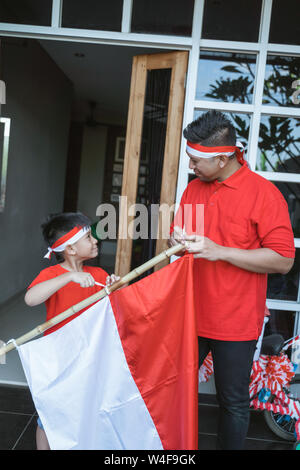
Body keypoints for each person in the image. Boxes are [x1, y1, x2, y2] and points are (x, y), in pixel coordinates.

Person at [168, 110, 295, 450]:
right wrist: (176, 244)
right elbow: (179, 245)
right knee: (173, 392)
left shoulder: (264, 195)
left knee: (233, 403)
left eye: (196, 161)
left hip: (235, 321)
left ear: (223, 159)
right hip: (190, 313)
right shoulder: (193, 189)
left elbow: (283, 260)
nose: (191, 167)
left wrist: (220, 251)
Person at [25, 212, 120, 450]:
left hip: (89, 356)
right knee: (49, 415)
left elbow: (115, 312)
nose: (96, 240)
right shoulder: (52, 275)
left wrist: (115, 288)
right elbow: (31, 298)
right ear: (71, 249)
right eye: (89, 237)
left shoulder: (98, 276)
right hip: (59, 357)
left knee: (85, 410)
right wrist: (69, 278)